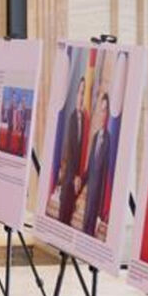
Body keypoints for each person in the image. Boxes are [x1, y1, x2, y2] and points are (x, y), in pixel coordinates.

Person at [57, 76, 87, 226]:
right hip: (69, 179)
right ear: (76, 95)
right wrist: (75, 176)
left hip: (76, 181)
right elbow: (70, 152)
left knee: (68, 220)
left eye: (84, 94)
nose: (81, 98)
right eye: (80, 93)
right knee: (63, 218)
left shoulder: (85, 121)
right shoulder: (72, 119)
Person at [81, 93, 111, 237]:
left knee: (90, 235)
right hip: (89, 197)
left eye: (105, 110)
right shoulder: (95, 137)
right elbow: (90, 169)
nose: (102, 114)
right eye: (101, 110)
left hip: (98, 201)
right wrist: (80, 182)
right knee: (84, 232)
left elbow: (106, 176)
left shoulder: (109, 140)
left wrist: (101, 211)